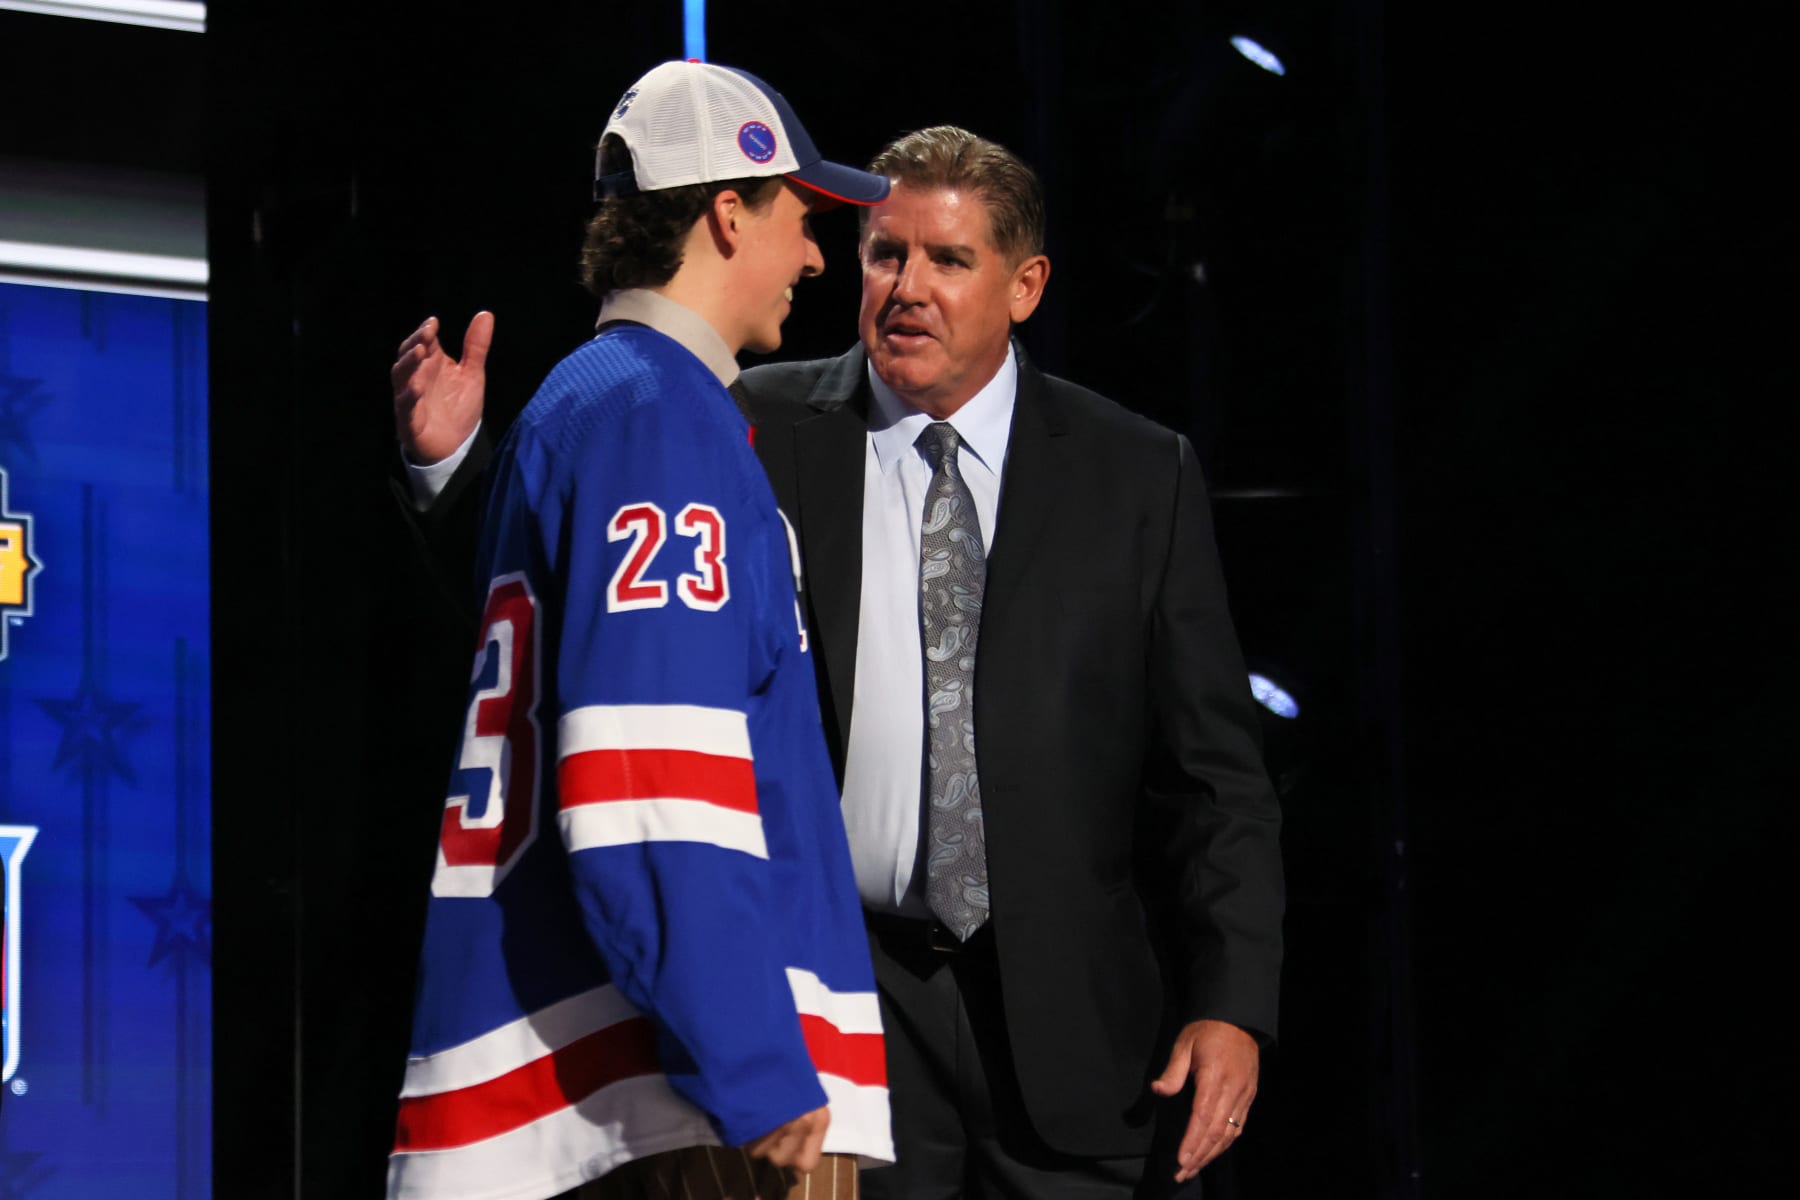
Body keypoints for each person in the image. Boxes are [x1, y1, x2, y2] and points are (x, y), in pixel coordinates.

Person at [399, 126, 1283, 1200]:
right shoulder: (738, 423)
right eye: (883, 253)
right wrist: (452, 473)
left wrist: (1232, 999)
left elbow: (1216, 778)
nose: (906, 287)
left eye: (949, 261)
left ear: (1026, 285)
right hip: (841, 1010)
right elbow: (565, 626)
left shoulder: (1139, 475)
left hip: (1081, 1039)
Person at [385, 60, 895, 1200]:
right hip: (673, 1094)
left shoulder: (589, 400)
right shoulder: (663, 419)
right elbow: (649, 785)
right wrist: (757, 1064)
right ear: (727, 212)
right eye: (802, 218)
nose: (817, 257)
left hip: (627, 1079)